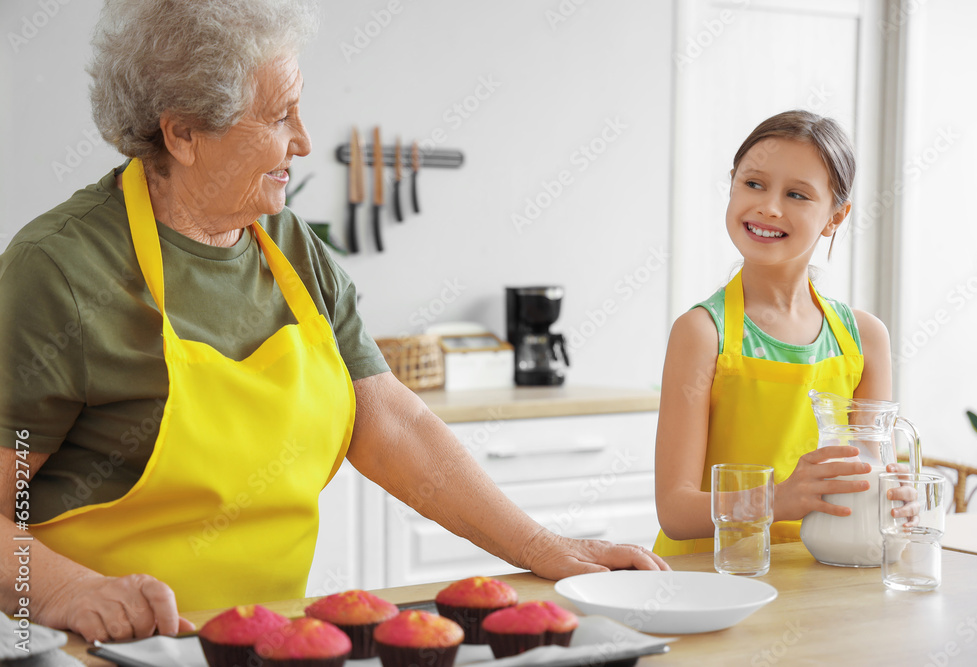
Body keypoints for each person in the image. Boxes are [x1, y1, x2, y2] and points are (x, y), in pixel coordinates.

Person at [0, 0, 666, 643]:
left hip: (270, 641)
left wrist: (544, 546)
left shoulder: (288, 247)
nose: (305, 138)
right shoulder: (59, 271)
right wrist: (68, 592)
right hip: (103, 649)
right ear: (183, 133)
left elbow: (391, 425)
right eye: (279, 114)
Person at [652, 110, 894, 556]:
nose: (769, 206)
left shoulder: (863, 338)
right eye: (754, 184)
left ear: (835, 217)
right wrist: (779, 499)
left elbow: (868, 479)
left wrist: (894, 501)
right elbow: (675, 510)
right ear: (732, 184)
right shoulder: (703, 333)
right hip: (710, 579)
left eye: (797, 194)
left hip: (819, 574)